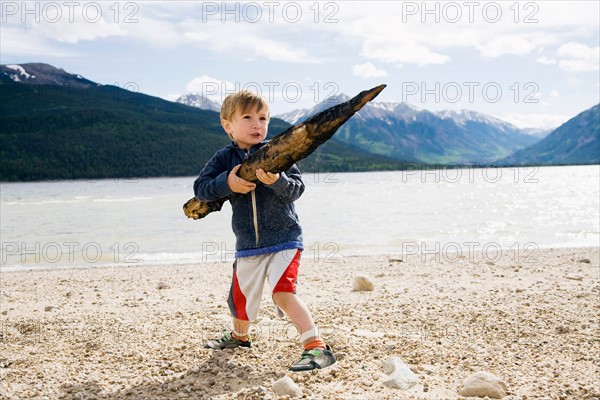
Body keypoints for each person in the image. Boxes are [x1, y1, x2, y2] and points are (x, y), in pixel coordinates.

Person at [193, 90, 336, 372]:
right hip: (247, 243)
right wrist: (228, 184)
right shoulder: (224, 158)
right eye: (247, 117)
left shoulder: (278, 152)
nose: (257, 124)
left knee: (283, 293)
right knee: (240, 298)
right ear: (227, 125)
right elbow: (201, 189)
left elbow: (297, 189)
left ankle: (317, 348)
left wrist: (278, 181)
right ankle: (239, 337)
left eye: (262, 118)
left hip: (285, 238)